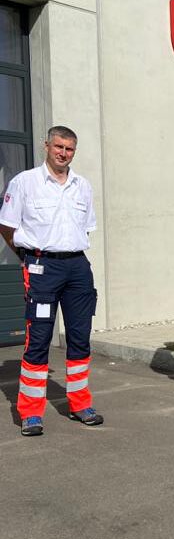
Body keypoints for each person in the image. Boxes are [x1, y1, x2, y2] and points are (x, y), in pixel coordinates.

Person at [0, 126, 102, 437]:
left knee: (80, 337)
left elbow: (85, 230)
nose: (63, 153)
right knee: (39, 338)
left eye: (70, 149)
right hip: (41, 266)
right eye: (58, 146)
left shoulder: (82, 186)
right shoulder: (25, 183)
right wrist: (28, 258)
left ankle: (80, 403)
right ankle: (31, 412)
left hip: (77, 269)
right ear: (47, 146)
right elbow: (6, 226)